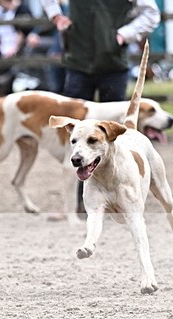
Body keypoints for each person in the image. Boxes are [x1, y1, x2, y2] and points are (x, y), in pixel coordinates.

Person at [40, 0, 160, 216]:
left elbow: (151, 13)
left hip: (113, 65)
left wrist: (123, 34)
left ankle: (120, 199)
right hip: (78, 63)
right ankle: (76, 204)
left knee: (114, 136)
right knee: (77, 139)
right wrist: (56, 16)